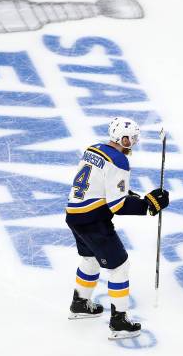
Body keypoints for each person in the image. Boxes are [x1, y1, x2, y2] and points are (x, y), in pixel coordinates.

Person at [65, 117, 169, 340]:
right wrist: (148, 205)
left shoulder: (93, 149)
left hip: (74, 215)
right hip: (93, 220)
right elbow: (118, 205)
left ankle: (80, 303)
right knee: (120, 266)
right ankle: (119, 321)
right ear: (124, 139)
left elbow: (99, 184)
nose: (134, 142)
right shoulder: (119, 160)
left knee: (90, 259)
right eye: (132, 139)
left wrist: (130, 196)